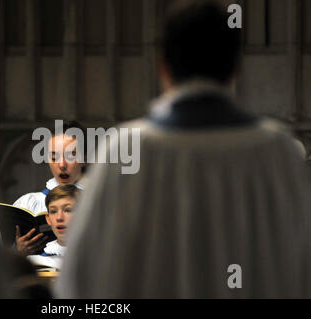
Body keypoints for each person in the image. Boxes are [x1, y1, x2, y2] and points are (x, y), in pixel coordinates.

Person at [55, 0, 311, 298]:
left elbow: (80, 280)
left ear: (162, 65)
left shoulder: (127, 147)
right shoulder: (277, 149)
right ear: (236, 66)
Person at [12, 121, 87, 255]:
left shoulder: (100, 203)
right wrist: (17, 252)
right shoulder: (28, 203)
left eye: (70, 156)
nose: (62, 164)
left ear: (85, 158)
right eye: (54, 156)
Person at [27, 184, 79, 271]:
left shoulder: (100, 258)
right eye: (53, 211)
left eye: (68, 210)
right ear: (48, 219)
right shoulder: (34, 263)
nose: (59, 218)